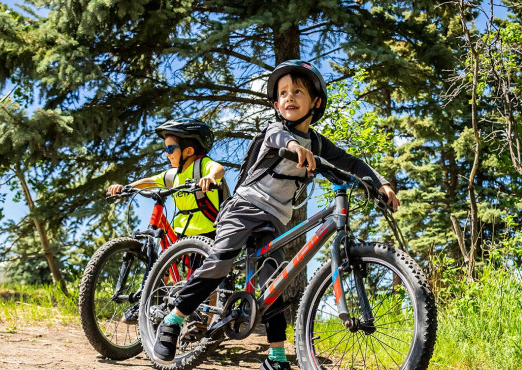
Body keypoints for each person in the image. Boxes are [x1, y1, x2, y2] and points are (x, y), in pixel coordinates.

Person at [153, 60, 400, 369]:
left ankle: (276, 357)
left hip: (272, 220)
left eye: (298, 91)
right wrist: (296, 148)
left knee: (274, 283)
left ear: (316, 102)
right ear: (275, 103)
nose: (289, 98)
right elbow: (280, 140)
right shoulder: (276, 130)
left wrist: (382, 184)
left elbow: (352, 162)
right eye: (283, 93)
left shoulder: (319, 143)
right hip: (243, 207)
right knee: (221, 259)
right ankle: (174, 318)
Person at [107, 118, 225, 240]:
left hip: (209, 231)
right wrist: (127, 188)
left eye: (170, 149)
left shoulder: (201, 165)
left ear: (189, 151)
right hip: (182, 233)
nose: (167, 154)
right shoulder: (172, 174)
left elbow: (218, 169)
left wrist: (210, 177)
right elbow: (150, 181)